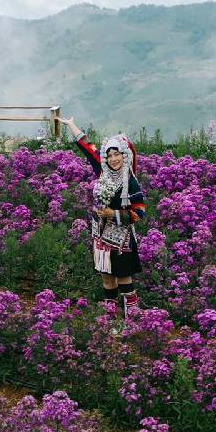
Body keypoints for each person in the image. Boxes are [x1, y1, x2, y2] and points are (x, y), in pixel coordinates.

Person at [59, 117, 146, 315]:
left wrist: (112, 213)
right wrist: (71, 125)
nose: (113, 159)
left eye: (117, 154)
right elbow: (87, 147)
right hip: (100, 236)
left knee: (123, 277)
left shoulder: (131, 182)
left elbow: (139, 213)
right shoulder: (102, 170)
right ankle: (110, 318)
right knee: (107, 278)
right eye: (110, 155)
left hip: (121, 239)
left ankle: (131, 318)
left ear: (125, 156)